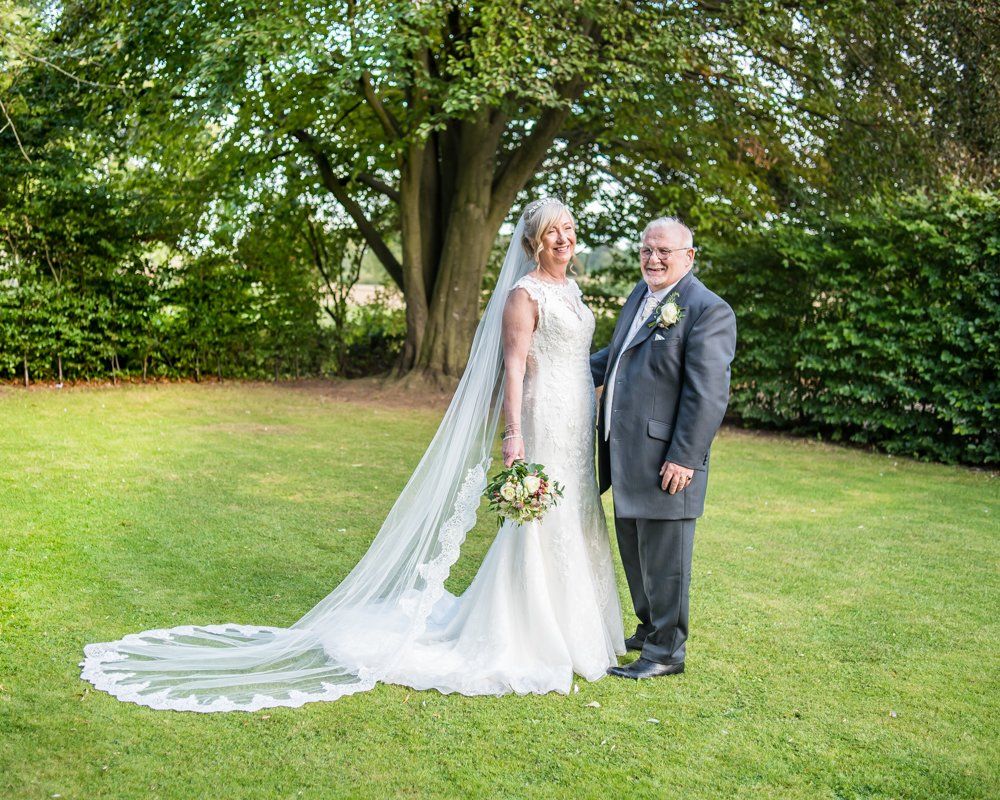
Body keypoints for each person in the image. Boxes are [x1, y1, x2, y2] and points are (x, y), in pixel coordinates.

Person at [80, 199, 623, 711]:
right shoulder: (524, 295)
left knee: (576, 512)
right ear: (533, 242)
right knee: (540, 520)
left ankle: (580, 628)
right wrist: (513, 433)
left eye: (568, 230)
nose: (563, 239)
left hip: (578, 419)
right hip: (542, 416)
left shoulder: (572, 291)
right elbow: (514, 366)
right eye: (552, 232)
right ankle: (532, 632)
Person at [591, 217, 736, 679]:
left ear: (688, 257)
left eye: (663, 252)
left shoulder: (708, 310)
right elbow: (615, 357)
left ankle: (666, 653)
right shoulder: (641, 295)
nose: (653, 259)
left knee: (666, 557)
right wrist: (557, 367)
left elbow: (707, 393)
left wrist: (684, 456)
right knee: (636, 550)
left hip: (666, 458)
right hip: (626, 452)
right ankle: (650, 628)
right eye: (646, 250)